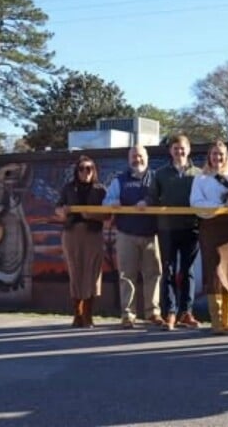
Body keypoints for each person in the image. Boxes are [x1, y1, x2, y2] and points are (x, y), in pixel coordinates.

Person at [190, 140, 228, 335]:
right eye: (214, 154)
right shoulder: (200, 179)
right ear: (209, 156)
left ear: (226, 157)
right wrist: (218, 208)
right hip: (211, 228)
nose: (218, 157)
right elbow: (195, 203)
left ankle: (227, 318)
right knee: (214, 273)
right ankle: (215, 320)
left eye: (221, 154)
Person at [104, 145, 165, 329]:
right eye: (133, 156)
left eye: (140, 156)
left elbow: (163, 199)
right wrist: (112, 203)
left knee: (153, 274)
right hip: (126, 234)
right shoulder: (119, 180)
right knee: (126, 275)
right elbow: (106, 201)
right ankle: (128, 315)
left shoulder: (156, 178)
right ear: (128, 159)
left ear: (147, 157)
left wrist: (149, 202)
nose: (137, 159)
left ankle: (153, 313)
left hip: (152, 234)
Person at [149, 134, 202, 331]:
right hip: (167, 229)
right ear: (170, 151)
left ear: (188, 150)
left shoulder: (198, 173)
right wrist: (143, 204)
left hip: (192, 228)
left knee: (187, 271)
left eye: (182, 148)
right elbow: (152, 198)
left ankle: (186, 312)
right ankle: (169, 313)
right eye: (175, 148)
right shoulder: (161, 173)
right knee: (168, 271)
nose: (179, 151)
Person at [54, 155, 108, 328]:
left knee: (92, 274)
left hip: (93, 233)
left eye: (89, 168)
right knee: (75, 272)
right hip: (72, 233)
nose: (85, 172)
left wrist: (90, 214)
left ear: (94, 170)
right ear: (76, 171)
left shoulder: (101, 190)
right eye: (82, 169)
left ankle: (88, 314)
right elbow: (58, 207)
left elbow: (108, 214)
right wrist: (62, 211)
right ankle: (77, 314)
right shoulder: (68, 188)